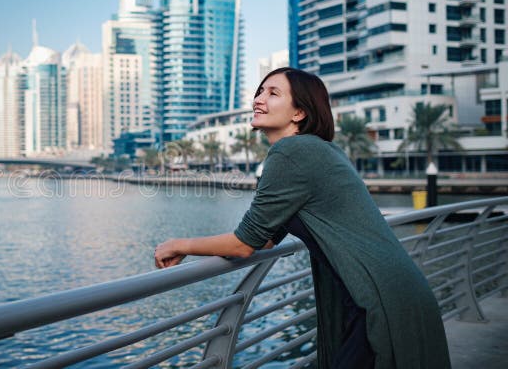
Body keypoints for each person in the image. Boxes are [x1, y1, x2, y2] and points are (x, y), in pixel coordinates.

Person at [153, 67, 450, 369]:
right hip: (393, 292)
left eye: (273, 93)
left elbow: (245, 244)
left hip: (378, 300)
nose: (258, 99)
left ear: (299, 113)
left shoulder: (291, 152)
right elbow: (265, 238)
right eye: (259, 91)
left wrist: (180, 244)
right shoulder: (316, 150)